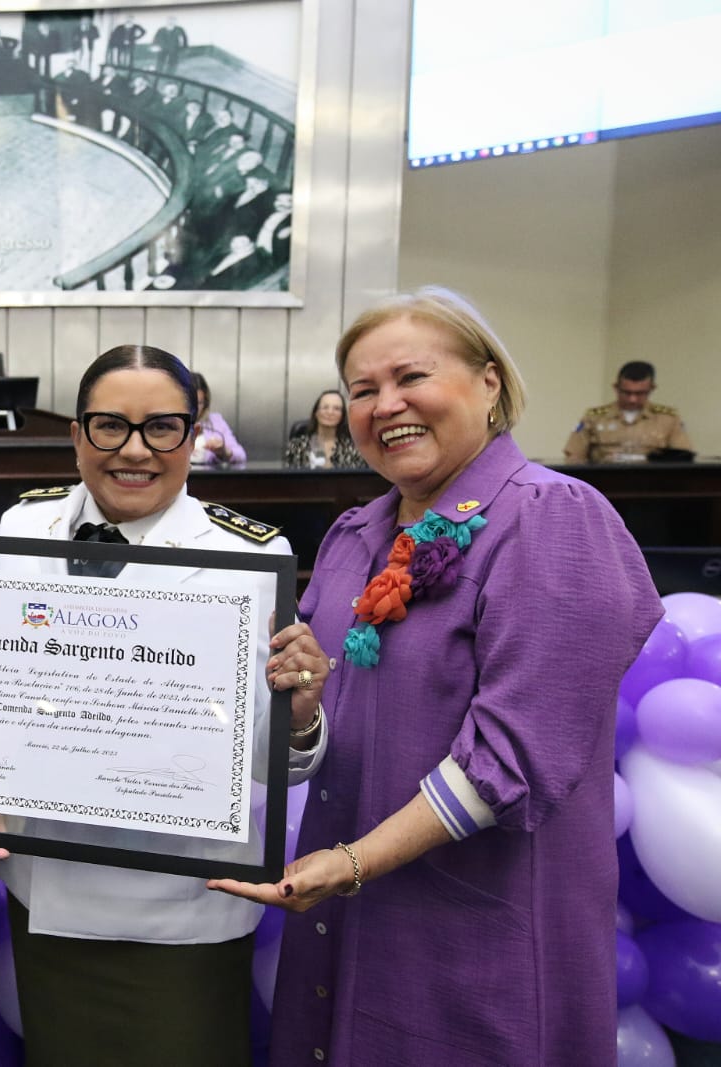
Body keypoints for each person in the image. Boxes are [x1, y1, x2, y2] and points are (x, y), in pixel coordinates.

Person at [207, 287, 663, 1065]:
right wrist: (306, 713)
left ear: (490, 383)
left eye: (411, 377)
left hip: (478, 931)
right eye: (362, 389)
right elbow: (323, 734)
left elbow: (514, 756)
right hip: (346, 916)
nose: (386, 405)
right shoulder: (357, 534)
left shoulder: (555, 519)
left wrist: (350, 863)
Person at [0, 344, 330, 1064]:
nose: (135, 450)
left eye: (162, 428)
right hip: (51, 892)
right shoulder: (19, 533)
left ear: (194, 432)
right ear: (77, 434)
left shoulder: (255, 556)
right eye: (110, 426)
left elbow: (279, 766)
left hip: (185, 905)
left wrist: (298, 720)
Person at [564, 359, 694, 463]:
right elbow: (574, 456)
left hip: (653, 485)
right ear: (616, 388)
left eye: (640, 393)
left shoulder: (668, 419)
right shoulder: (594, 418)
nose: (632, 399)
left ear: (652, 389)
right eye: (627, 392)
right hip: (603, 484)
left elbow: (682, 456)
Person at [284, 389, 365, 469]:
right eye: (325, 407)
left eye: (336, 409)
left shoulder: (353, 449)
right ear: (316, 413)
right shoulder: (297, 446)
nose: (330, 412)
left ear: (342, 416)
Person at [187, 371, 245, 464]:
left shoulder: (215, 422)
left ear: (205, 402)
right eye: (190, 402)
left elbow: (240, 455)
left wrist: (223, 452)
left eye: (199, 403)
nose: (194, 408)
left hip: (206, 476)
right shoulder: (172, 421)